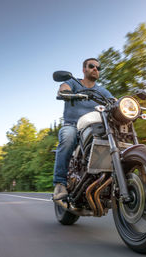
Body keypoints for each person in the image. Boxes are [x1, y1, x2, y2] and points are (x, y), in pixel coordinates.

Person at [53, 58, 114, 200]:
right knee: (68, 136)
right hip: (73, 126)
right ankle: (60, 183)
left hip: (97, 128)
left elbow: (114, 101)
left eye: (98, 68)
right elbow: (64, 87)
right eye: (92, 66)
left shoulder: (102, 91)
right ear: (84, 69)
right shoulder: (73, 83)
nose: (95, 69)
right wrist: (66, 93)